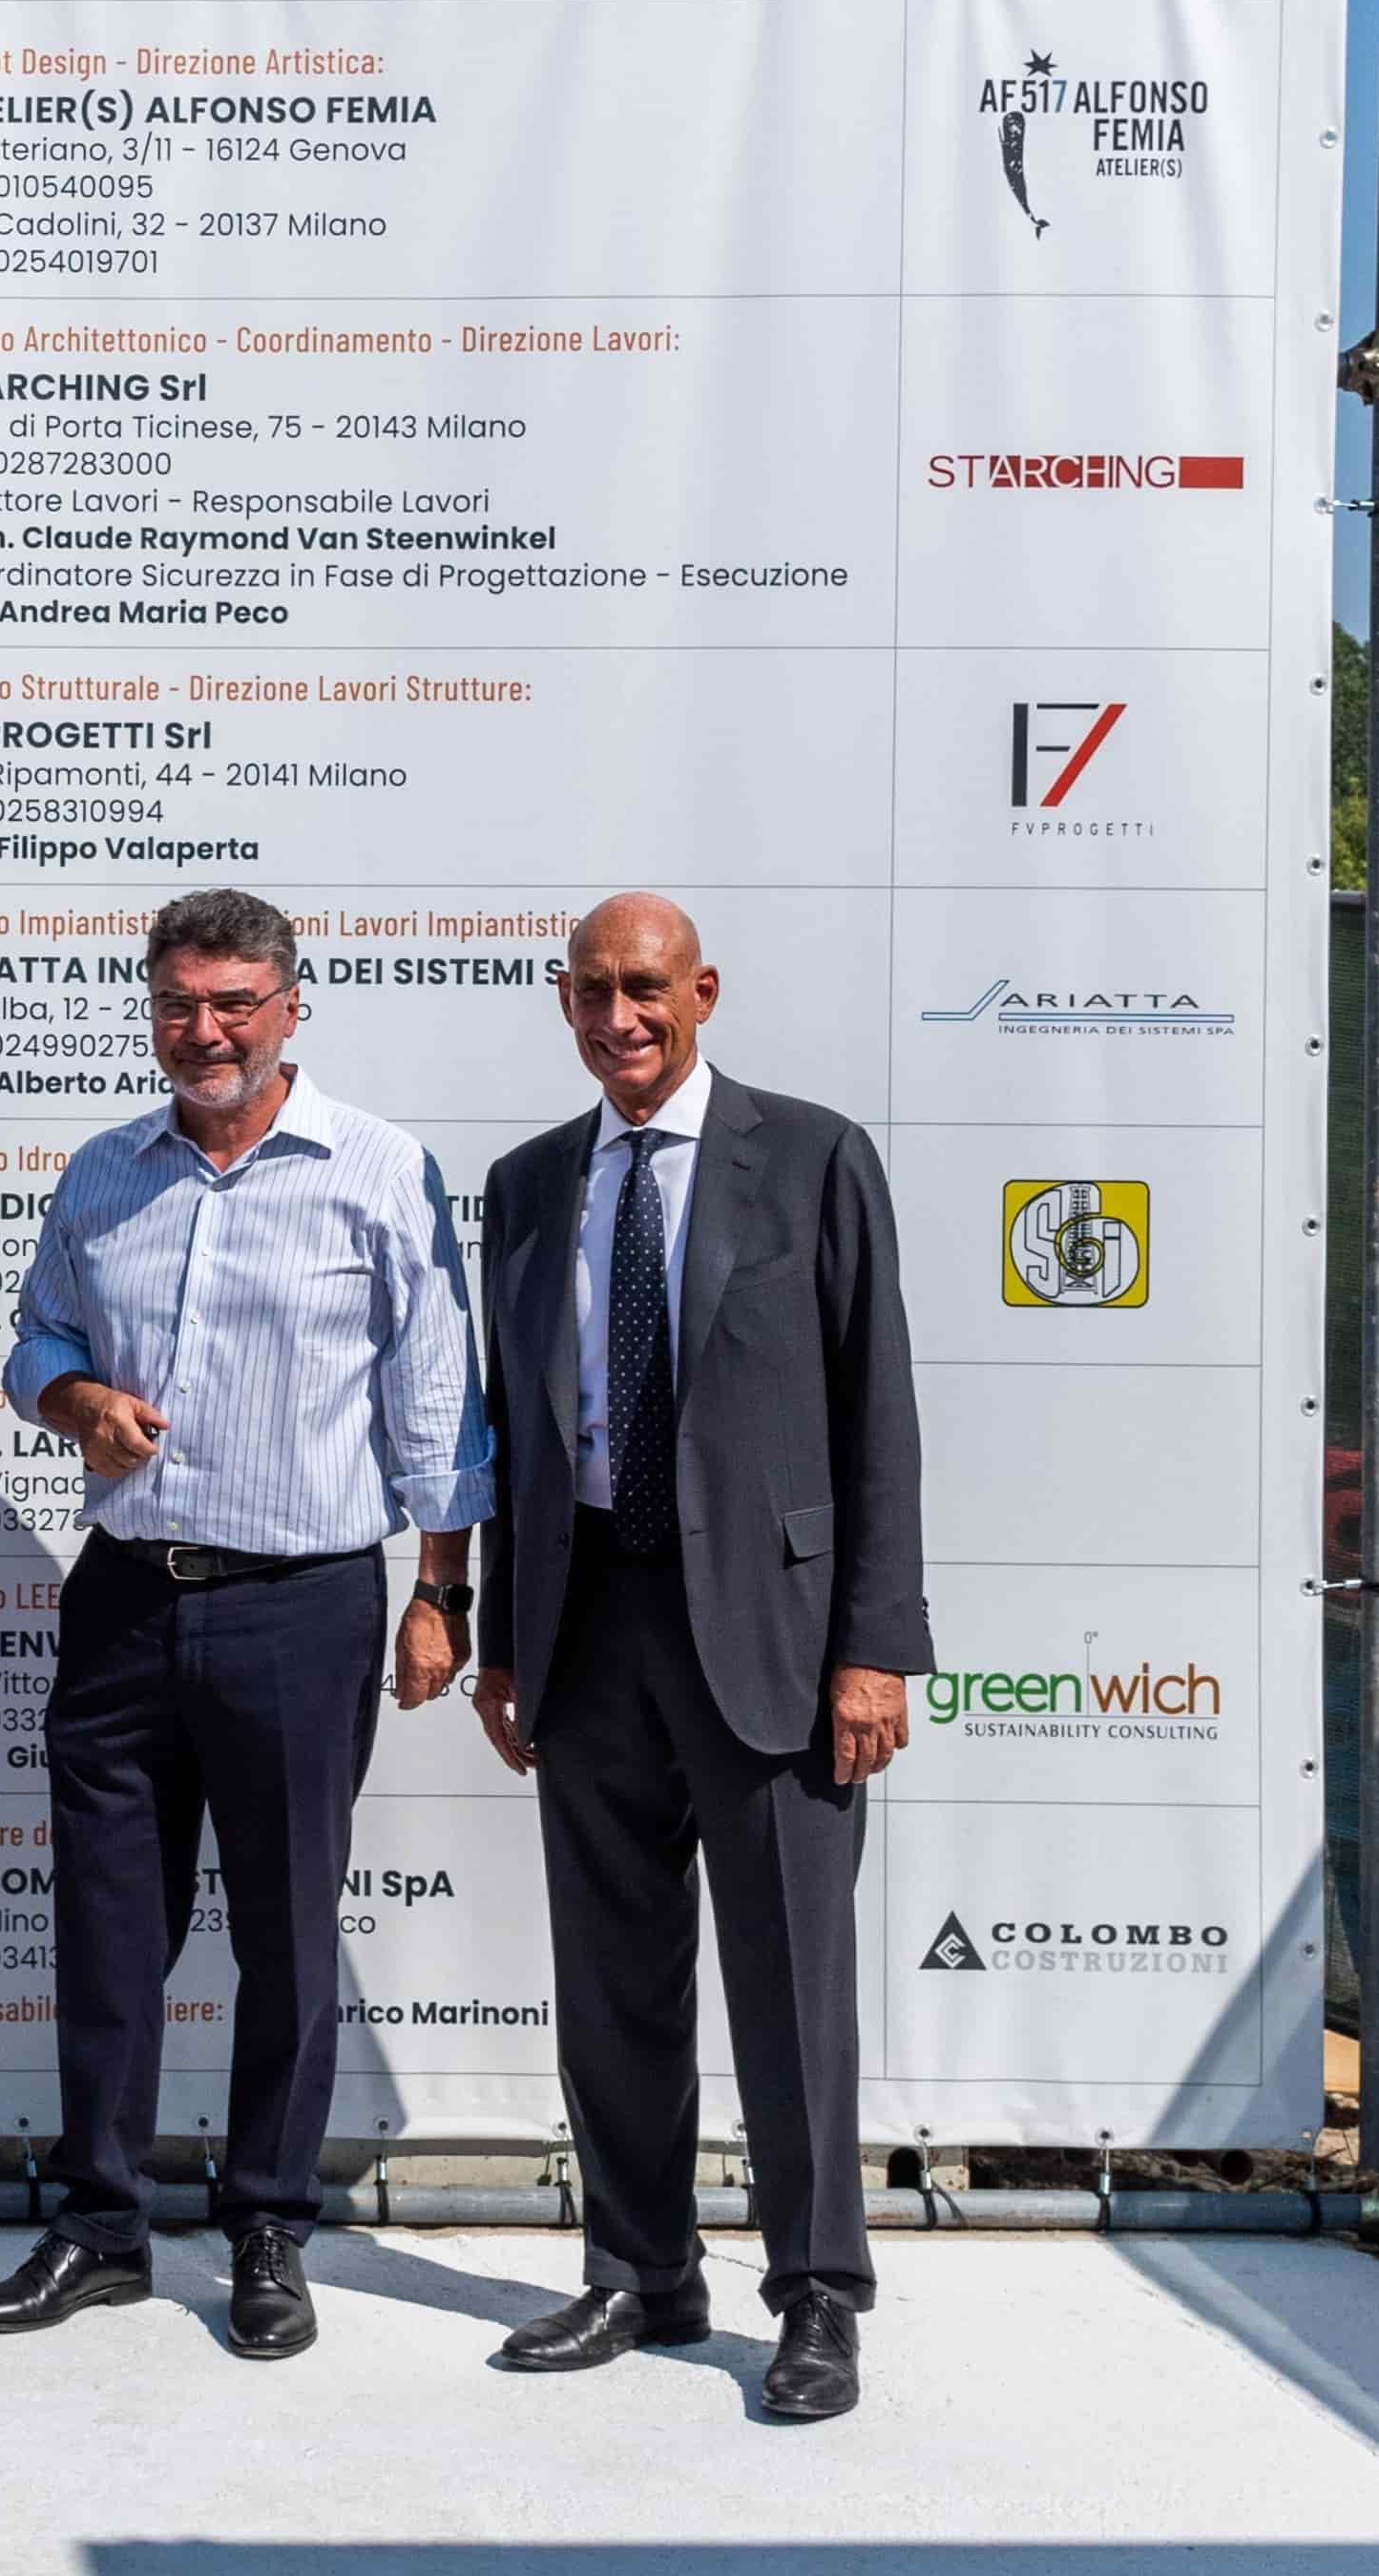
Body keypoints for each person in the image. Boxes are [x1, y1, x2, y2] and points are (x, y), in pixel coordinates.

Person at [0, 887, 492, 2361]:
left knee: (286, 1938)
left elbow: (436, 1403)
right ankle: (99, 2230)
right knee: (105, 1934)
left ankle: (266, 2229)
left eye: (231, 1004)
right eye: (176, 1004)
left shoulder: (376, 1171)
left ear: (289, 1007)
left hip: (298, 1605)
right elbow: (34, 1340)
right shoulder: (103, 1171)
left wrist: (439, 1591)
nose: (202, 1031)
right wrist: (75, 1397)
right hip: (124, 1597)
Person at [475, 891, 927, 2421]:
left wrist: (873, 1646)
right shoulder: (526, 1184)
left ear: (702, 992)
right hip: (586, 1624)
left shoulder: (808, 1156)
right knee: (609, 1978)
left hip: (773, 1640)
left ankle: (815, 2296)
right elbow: (514, 1432)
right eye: (591, 990)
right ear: (563, 1003)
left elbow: (876, 1413)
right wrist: (500, 1639)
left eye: (645, 987)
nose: (620, 1017)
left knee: (789, 1982)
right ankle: (637, 2273)